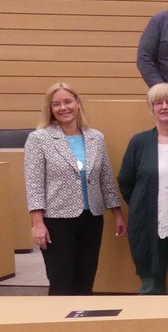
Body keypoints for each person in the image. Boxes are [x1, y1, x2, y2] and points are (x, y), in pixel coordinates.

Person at [23, 83, 126, 295]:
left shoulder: (96, 137)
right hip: (57, 221)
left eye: (68, 102)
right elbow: (34, 184)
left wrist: (117, 213)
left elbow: (105, 178)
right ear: (50, 109)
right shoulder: (39, 138)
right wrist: (37, 223)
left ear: (78, 103)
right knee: (61, 281)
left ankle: (82, 316)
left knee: (86, 280)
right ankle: (58, 318)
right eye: (56, 104)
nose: (63, 108)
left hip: (91, 219)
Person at [118, 83, 168, 295]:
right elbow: (126, 181)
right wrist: (143, 205)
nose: (164, 107)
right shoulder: (139, 142)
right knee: (151, 287)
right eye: (158, 103)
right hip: (148, 225)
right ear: (151, 108)